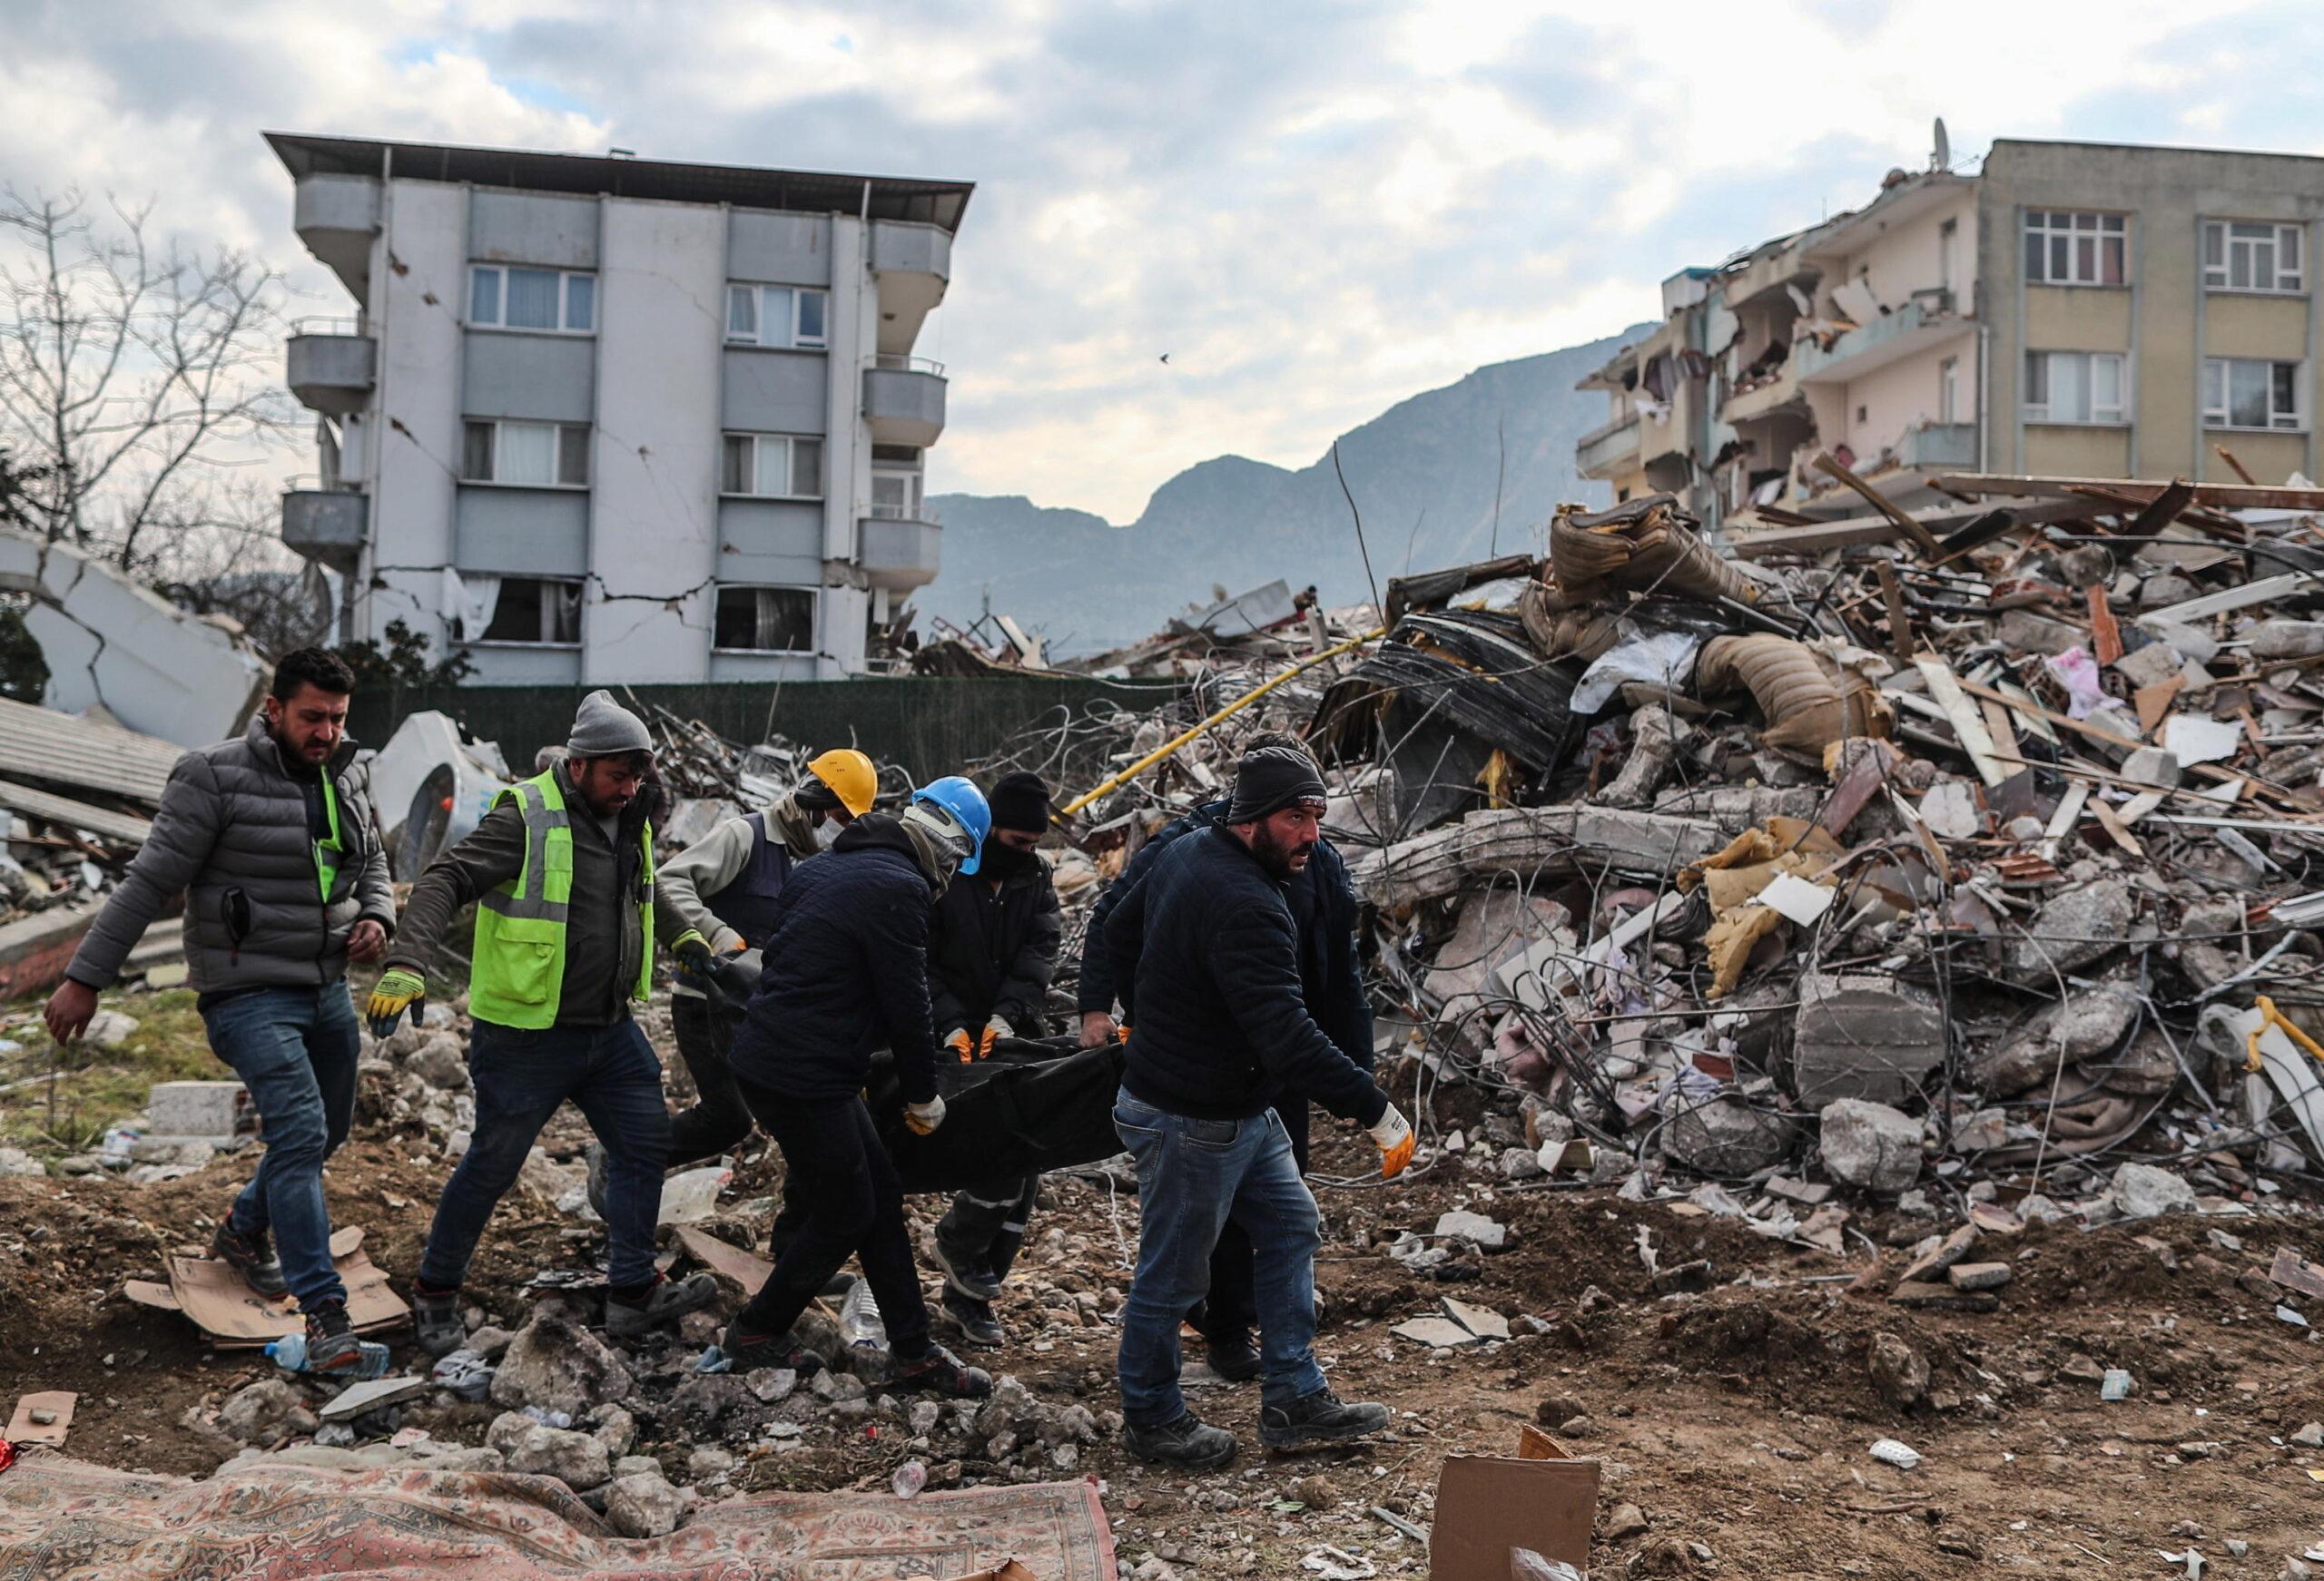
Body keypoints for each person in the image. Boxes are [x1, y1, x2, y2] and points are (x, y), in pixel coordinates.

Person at [44, 649, 395, 1372]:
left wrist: (380, 918)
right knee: (298, 1131)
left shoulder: (349, 770)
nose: (325, 732)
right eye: (311, 717)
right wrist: (86, 977)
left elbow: (375, 861)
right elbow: (148, 882)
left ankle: (241, 1232)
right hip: (245, 990)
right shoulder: (212, 775)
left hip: (326, 986)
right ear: (273, 708)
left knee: (326, 1134)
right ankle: (325, 1316)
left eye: (336, 719)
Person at [367, 691, 716, 1354]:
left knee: (643, 1146)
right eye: (619, 774)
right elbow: (443, 879)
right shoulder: (526, 816)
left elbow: (646, 892)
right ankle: (436, 1290)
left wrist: (688, 941)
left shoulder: (630, 814)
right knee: (495, 1163)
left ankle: (633, 1294)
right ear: (581, 764)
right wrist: (407, 961)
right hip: (527, 1036)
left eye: (638, 775)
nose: (631, 787)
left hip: (609, 1033)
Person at [1103, 745, 1413, 1468]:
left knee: (1289, 1225)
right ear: (1250, 819)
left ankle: (1294, 1398)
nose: (1312, 835)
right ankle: (1151, 1416)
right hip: (1191, 1117)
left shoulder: (1188, 853)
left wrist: (1155, 1017)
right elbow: (1287, 1035)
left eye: (1317, 815)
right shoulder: (1246, 904)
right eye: (1294, 817)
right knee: (1175, 1272)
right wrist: (1375, 1109)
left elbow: (1122, 932)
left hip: (1234, 1104)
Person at [716, 776, 996, 1398]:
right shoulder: (899, 887)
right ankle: (757, 1332)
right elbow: (906, 1002)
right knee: (847, 1210)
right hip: (803, 1074)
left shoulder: (823, 868)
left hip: (779, 1060)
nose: (951, 874)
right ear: (949, 845)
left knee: (878, 1195)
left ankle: (914, 1351)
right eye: (956, 861)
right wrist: (924, 1094)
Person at [604, 749, 877, 1203]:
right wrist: (717, 935)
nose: (842, 827)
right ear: (813, 800)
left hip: (760, 1013)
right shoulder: (745, 836)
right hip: (705, 1001)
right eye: (840, 815)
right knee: (728, 1118)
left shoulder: (814, 862)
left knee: (782, 1116)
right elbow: (669, 881)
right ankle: (622, 1159)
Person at [924, 771, 1063, 1348]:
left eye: (1034, 844)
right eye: (1016, 842)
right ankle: (958, 1245)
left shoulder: (1036, 878)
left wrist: (1009, 1015)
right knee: (997, 1157)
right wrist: (952, 1021)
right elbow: (920, 957)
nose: (1026, 853)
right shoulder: (948, 874)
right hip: (944, 1034)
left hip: (1008, 1034)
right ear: (988, 833)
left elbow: (1040, 950)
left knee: (1024, 1170)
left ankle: (972, 1296)